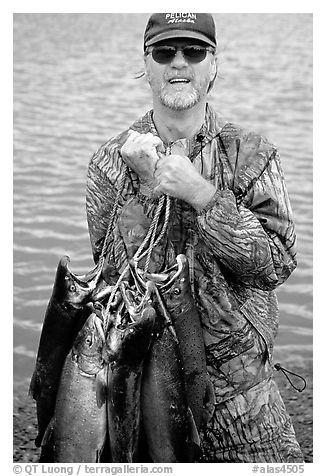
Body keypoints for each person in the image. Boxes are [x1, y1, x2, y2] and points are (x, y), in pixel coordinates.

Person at [86, 13, 304, 463]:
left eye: (194, 51)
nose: (178, 63)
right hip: (141, 382)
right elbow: (112, 280)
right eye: (164, 52)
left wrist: (203, 197)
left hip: (241, 391)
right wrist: (147, 188)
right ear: (146, 65)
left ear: (213, 64)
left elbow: (276, 264)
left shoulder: (253, 154)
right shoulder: (109, 161)